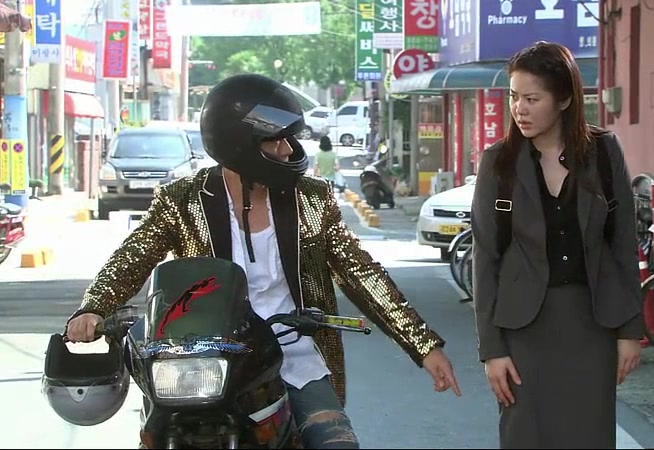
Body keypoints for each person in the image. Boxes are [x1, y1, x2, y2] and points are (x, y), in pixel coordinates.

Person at [65, 74, 461, 449]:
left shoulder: (312, 198)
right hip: (203, 362)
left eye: (290, 139)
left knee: (336, 443)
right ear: (238, 143)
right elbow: (133, 256)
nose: (288, 150)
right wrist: (94, 307)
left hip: (294, 354)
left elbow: (361, 271)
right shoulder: (181, 200)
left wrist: (422, 345)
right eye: (275, 141)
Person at [470, 42, 643, 449]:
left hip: (591, 324)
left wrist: (629, 331)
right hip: (523, 329)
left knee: (588, 435)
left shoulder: (603, 153)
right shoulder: (499, 162)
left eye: (532, 99)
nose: (520, 109)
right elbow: (486, 258)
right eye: (514, 97)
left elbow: (623, 245)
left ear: (564, 99)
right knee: (525, 435)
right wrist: (492, 350)